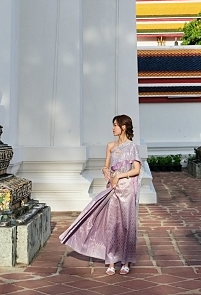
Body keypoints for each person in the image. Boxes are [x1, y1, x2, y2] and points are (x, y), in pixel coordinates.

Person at [59, 114, 141, 275]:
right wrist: (106, 171)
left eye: (115, 125)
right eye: (113, 125)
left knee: (126, 226)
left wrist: (119, 175)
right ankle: (111, 260)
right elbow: (106, 165)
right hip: (113, 188)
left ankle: (126, 261)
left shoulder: (132, 147)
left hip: (127, 190)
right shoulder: (111, 146)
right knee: (111, 225)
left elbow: (136, 170)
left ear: (123, 127)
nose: (113, 128)